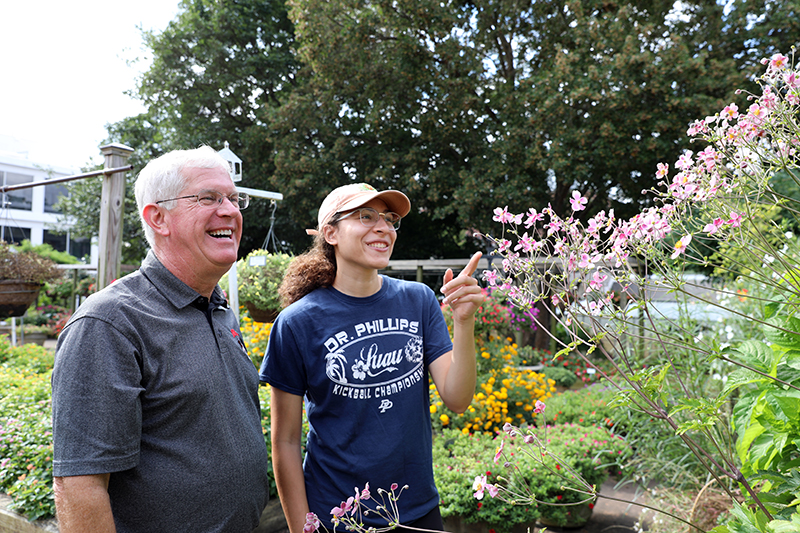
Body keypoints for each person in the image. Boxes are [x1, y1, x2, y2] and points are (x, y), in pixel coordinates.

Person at [51, 146, 270, 532]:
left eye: (234, 199)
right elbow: (80, 486)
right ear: (158, 218)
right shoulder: (109, 323)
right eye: (209, 198)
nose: (230, 211)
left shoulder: (217, 308)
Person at [260, 183, 484, 533]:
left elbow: (457, 398)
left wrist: (463, 322)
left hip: (417, 508)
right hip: (338, 517)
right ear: (330, 233)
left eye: (390, 219)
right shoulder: (297, 323)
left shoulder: (418, 300)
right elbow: (285, 442)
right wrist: (302, 528)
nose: (383, 228)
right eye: (365, 216)